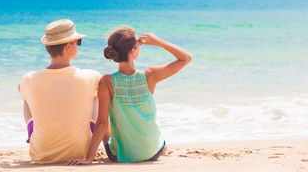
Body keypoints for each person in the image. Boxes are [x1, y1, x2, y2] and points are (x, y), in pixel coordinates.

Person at [67, 27, 192, 165]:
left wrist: (89, 158)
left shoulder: (107, 82)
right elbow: (186, 58)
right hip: (153, 152)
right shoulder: (150, 75)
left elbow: (102, 124)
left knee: (104, 120)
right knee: (152, 130)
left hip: (121, 155)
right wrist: (158, 41)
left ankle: (157, 146)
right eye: (139, 44)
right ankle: (164, 147)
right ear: (133, 51)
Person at [18, 19, 101, 164]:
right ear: (69, 46)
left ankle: (31, 132)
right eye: (78, 43)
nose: (79, 46)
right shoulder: (90, 77)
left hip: (41, 154)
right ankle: (93, 129)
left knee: (25, 92)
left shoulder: (29, 78)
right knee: (99, 93)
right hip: (81, 151)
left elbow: (21, 88)